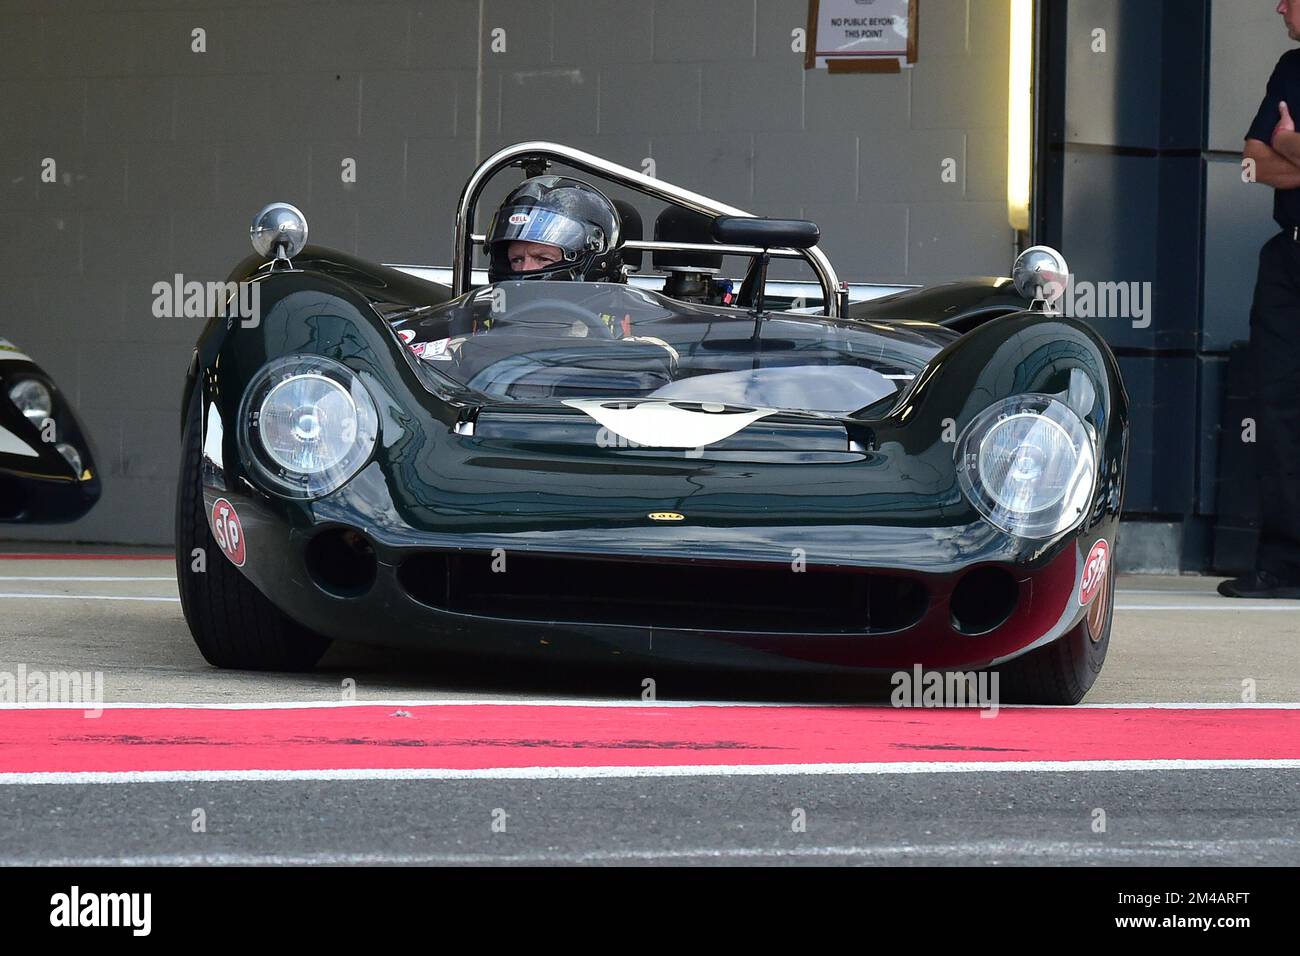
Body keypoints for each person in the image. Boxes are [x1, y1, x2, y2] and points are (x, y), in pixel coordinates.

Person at [1222, 0, 1300, 597]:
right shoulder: (1290, 67)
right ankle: (1283, 563)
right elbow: (1252, 163)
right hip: (1289, 256)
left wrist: (1294, 147)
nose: (1279, 5)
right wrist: (1283, 148)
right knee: (1277, 406)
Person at [484, 176, 625, 283]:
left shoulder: (620, 318)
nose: (525, 269)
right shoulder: (483, 316)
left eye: (543, 258)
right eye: (516, 260)